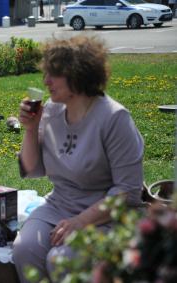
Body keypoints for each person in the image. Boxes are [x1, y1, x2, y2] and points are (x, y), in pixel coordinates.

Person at [12, 35, 144, 282]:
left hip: (105, 215)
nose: (46, 81)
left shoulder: (115, 119)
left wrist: (81, 221)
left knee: (62, 260)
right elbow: (30, 168)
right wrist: (31, 128)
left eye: (54, 74)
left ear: (78, 74)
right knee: (24, 249)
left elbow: (128, 191)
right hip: (59, 205)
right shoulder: (51, 110)